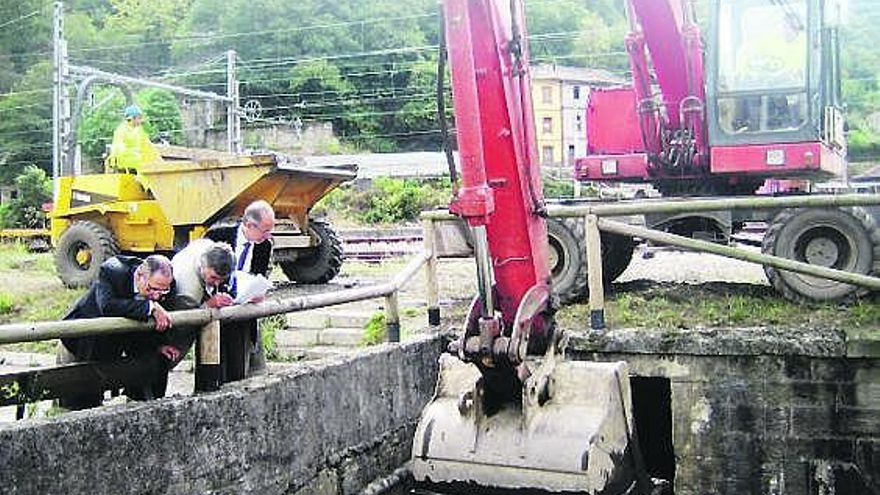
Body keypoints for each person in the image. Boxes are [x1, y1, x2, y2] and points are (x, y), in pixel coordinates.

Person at [59, 254, 179, 410]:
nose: (156, 296)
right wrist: (150, 307)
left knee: (153, 364)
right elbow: (107, 306)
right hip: (82, 341)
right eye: (152, 289)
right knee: (78, 401)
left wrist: (158, 345)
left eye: (163, 292)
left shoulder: (166, 285)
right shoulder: (112, 271)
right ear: (139, 276)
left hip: (117, 344)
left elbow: (161, 318)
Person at [205, 200, 275, 383]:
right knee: (213, 365)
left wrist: (258, 292)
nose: (268, 235)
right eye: (265, 230)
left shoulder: (265, 245)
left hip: (243, 310)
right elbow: (204, 271)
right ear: (250, 225)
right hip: (216, 308)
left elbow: (258, 274)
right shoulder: (217, 235)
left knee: (238, 365)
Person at [106, 104, 161, 173]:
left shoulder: (139, 130)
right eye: (139, 118)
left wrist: (159, 162)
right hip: (125, 167)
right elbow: (119, 150)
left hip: (137, 164)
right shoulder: (121, 130)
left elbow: (148, 147)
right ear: (132, 118)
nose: (141, 121)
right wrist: (135, 154)